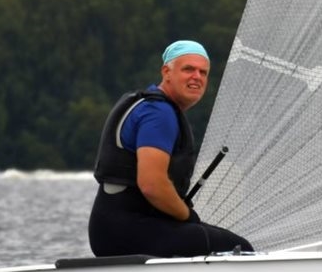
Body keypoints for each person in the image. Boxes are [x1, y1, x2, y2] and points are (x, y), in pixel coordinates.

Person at [89, 40, 253, 257]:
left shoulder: (150, 106)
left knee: (214, 238)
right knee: (240, 248)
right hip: (126, 231)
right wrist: (187, 216)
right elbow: (152, 184)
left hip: (115, 230)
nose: (197, 77)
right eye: (188, 69)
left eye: (203, 72)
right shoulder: (159, 114)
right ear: (166, 72)